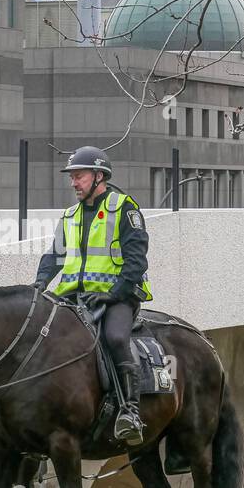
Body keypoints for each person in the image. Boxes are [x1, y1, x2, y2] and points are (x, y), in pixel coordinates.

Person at [33, 146, 152, 446]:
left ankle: (130, 410)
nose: (73, 182)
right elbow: (55, 256)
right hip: (74, 297)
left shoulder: (125, 208)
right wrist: (38, 284)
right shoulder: (70, 215)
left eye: (79, 176)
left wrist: (113, 295)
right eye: (71, 177)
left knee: (114, 338)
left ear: (99, 176)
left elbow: (136, 262)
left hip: (118, 297)